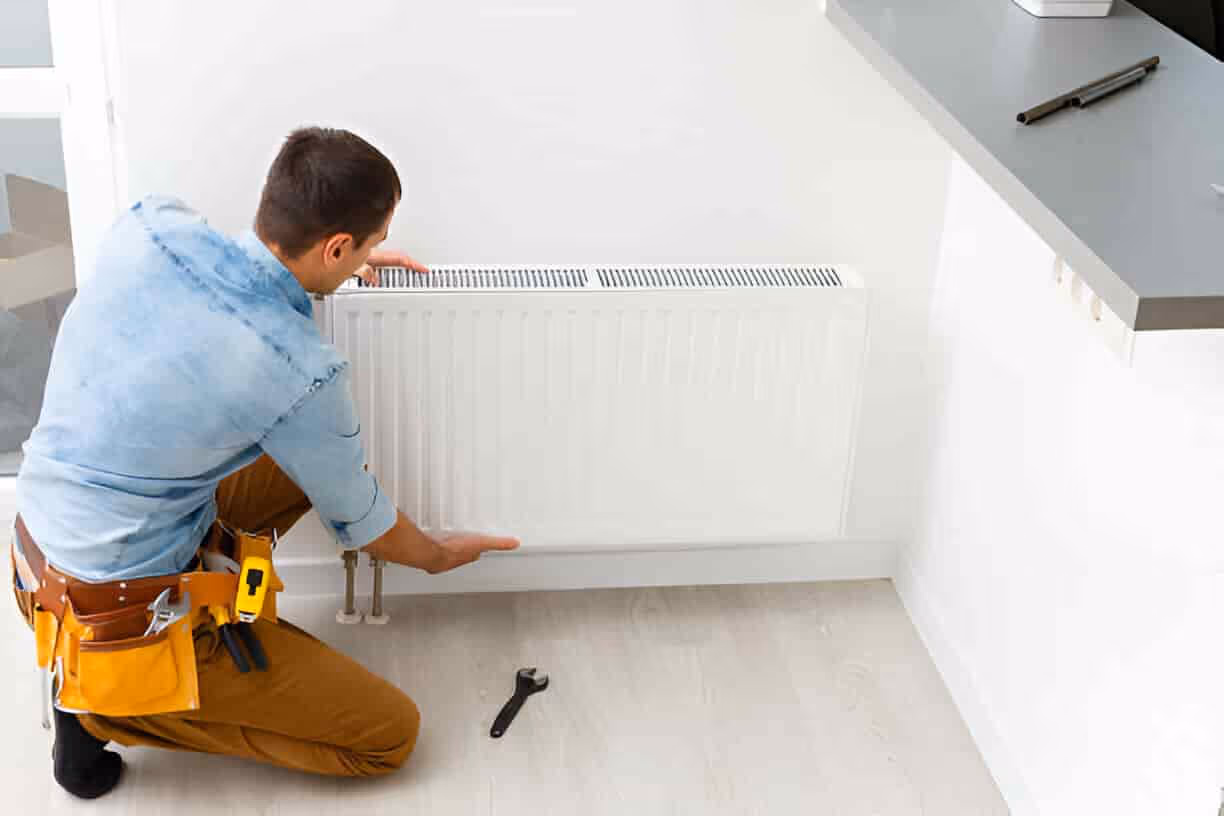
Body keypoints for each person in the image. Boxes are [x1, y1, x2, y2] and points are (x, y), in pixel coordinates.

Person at [11, 127, 520, 799]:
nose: (369, 254)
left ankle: (181, 635)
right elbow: (368, 527)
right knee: (389, 736)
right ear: (337, 245)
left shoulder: (150, 225)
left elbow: (232, 296)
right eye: (365, 244)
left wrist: (328, 267)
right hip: (118, 619)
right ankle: (104, 706)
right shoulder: (297, 371)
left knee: (297, 464)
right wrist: (437, 553)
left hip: (33, 552)